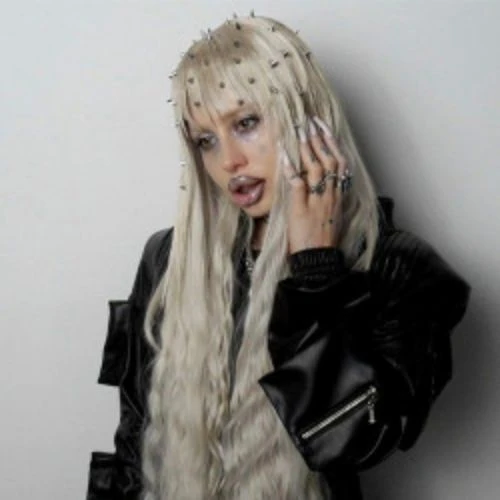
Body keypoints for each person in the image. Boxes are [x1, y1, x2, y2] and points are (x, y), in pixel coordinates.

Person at [86, 13, 470, 500]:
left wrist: (315, 268)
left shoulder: (399, 268)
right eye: (206, 140)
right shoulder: (169, 260)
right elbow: (132, 447)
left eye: (246, 123)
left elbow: (353, 442)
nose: (229, 161)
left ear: (308, 117)